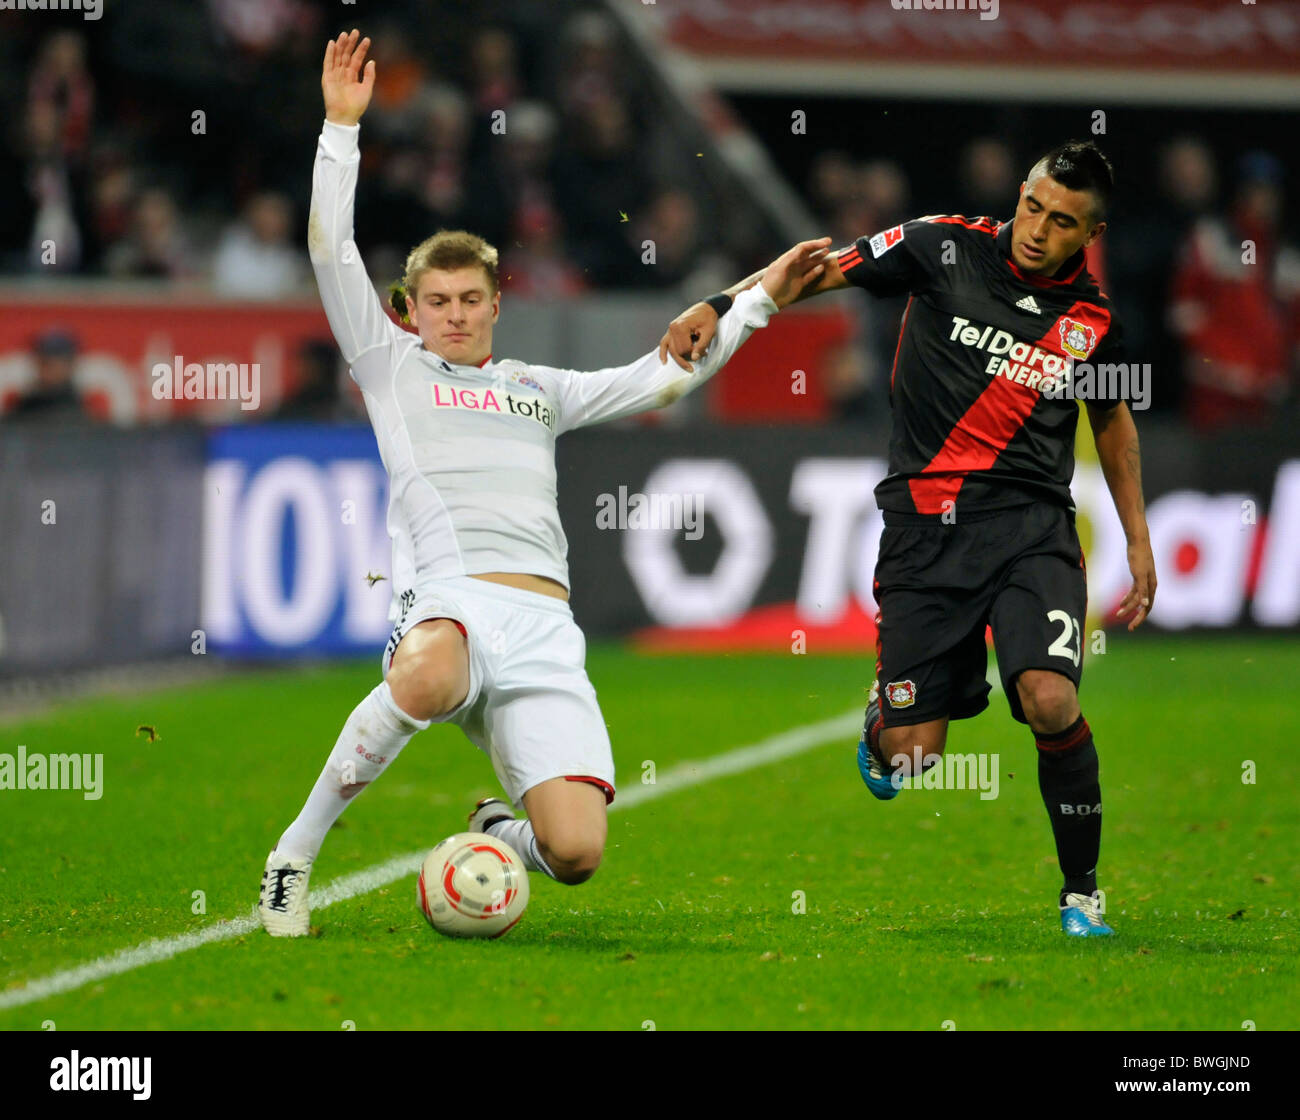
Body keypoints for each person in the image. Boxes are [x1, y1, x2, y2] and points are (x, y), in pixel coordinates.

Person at [258, 30, 827, 936]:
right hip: (450, 600)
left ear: (494, 303)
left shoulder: (538, 390)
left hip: (542, 631)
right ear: (408, 310)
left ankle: (498, 832)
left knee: (576, 855)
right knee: (430, 671)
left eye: (469, 299)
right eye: (434, 302)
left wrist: (753, 301)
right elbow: (331, 250)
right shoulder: (387, 363)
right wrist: (340, 131)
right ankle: (293, 857)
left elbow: (663, 376)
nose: (451, 315)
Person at [659, 141, 1157, 938]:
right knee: (913, 754)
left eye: (1062, 222)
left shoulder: (1095, 323)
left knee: (1051, 697)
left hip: (1032, 530)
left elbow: (1114, 422)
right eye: (1032, 206)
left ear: (1087, 232)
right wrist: (719, 306)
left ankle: (1082, 892)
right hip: (924, 531)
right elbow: (815, 271)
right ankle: (882, 727)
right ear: (1020, 196)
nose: (1037, 229)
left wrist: (1138, 538)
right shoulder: (941, 244)